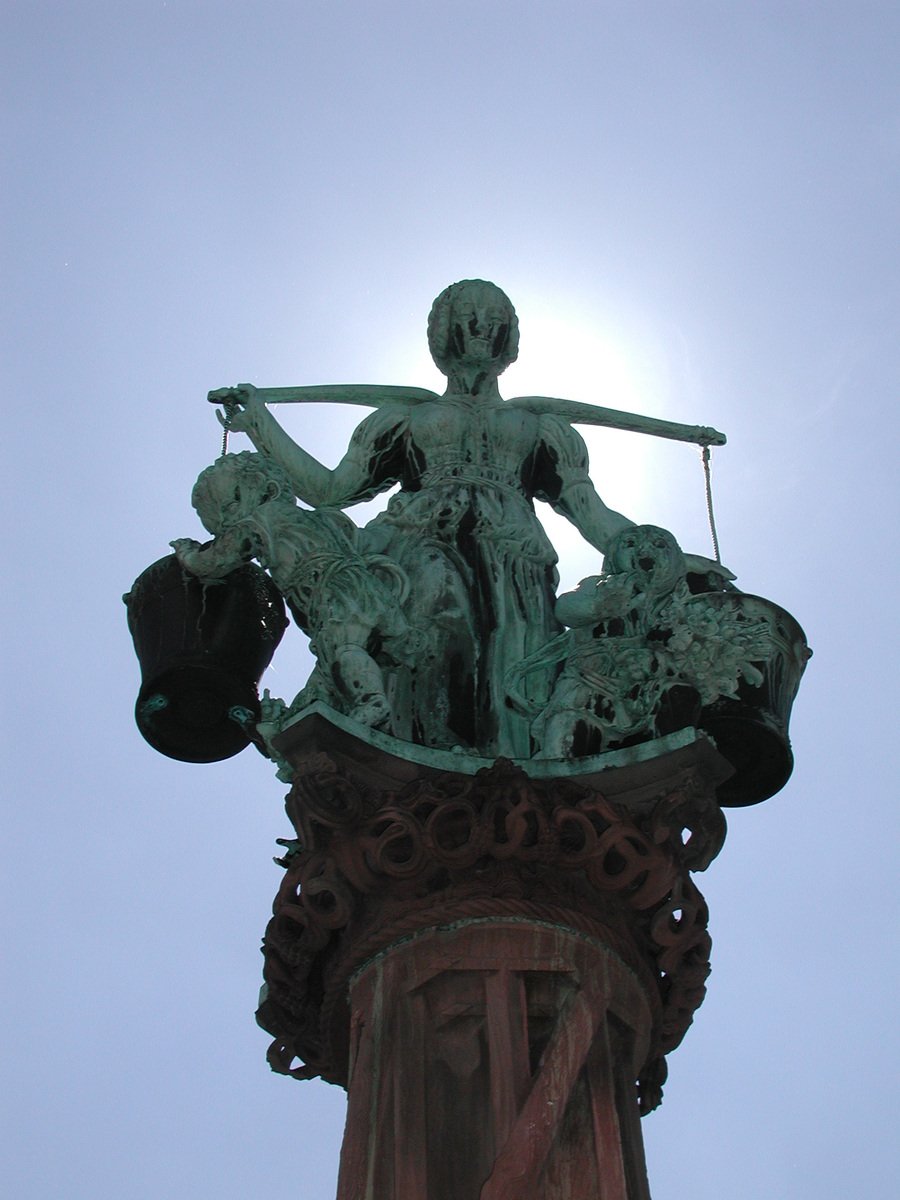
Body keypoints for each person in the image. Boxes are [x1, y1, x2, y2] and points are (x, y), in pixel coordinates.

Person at [212, 280, 634, 757]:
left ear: (508, 337)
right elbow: (329, 490)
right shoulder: (405, 417)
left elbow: (588, 510)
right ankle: (428, 751)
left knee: (513, 668)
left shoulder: (542, 427)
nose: (480, 326)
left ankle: (505, 772)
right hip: (422, 542)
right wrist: (260, 424)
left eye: (494, 318)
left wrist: (652, 550)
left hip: (514, 561)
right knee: (435, 634)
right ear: (444, 331)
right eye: (468, 316)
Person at [170, 451, 413, 730]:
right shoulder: (324, 518)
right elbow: (368, 541)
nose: (227, 524)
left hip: (331, 594)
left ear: (267, 491)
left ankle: (371, 701)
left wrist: (187, 553)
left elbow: (212, 563)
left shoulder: (259, 521)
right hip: (372, 587)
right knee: (344, 661)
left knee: (344, 650)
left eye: (231, 506)